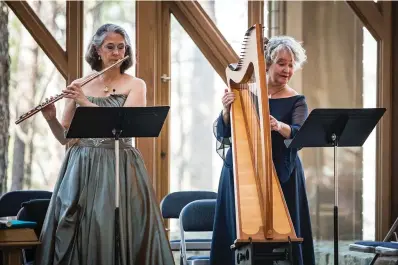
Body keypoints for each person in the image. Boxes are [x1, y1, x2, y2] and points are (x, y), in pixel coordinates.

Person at [35, 23, 175, 265]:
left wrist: (84, 102)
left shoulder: (135, 84)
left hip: (118, 164)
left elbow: (124, 124)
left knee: (117, 225)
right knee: (74, 225)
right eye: (110, 47)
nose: (117, 53)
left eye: (122, 47)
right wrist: (50, 118)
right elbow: (65, 139)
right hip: (81, 166)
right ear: (97, 50)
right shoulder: (80, 84)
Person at [210, 36, 315, 265]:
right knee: (236, 230)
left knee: (283, 233)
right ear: (266, 63)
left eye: (291, 65)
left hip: (282, 172)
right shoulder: (244, 93)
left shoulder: (297, 100)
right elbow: (224, 134)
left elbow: (300, 133)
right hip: (241, 173)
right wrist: (227, 111)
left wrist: (280, 126)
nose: (287, 69)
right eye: (281, 63)